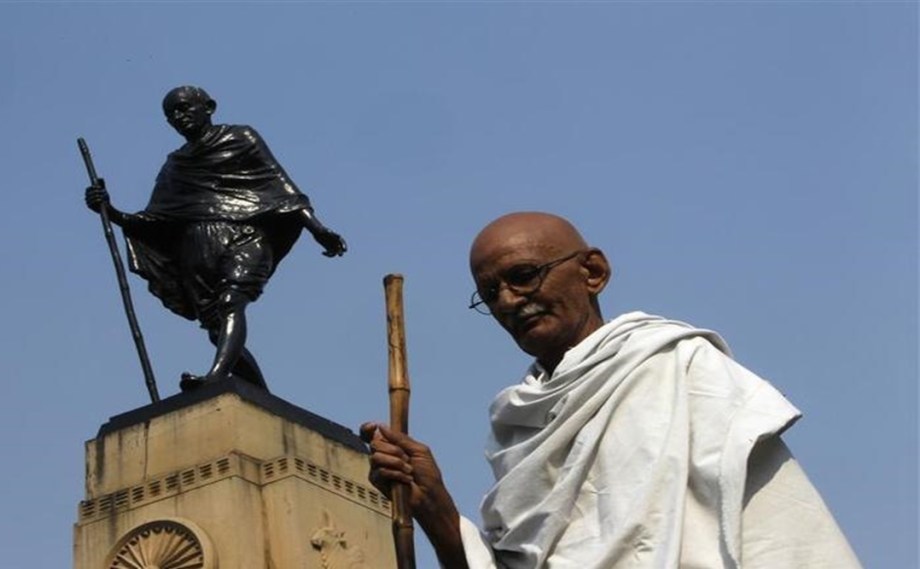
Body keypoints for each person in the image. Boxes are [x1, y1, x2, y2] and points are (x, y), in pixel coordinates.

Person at [361, 211, 860, 568]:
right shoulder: (518, 430)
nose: (509, 300)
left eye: (523, 277)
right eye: (491, 293)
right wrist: (435, 508)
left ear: (593, 272)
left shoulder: (678, 369)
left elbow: (779, 533)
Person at [86, 85, 346, 392]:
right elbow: (152, 219)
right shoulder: (175, 165)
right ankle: (259, 396)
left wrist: (317, 229)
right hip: (197, 248)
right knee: (217, 330)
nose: (178, 117)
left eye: (183, 108)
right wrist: (108, 208)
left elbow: (280, 188)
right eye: (170, 115)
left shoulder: (240, 138)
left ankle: (216, 377)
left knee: (230, 302)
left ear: (208, 106)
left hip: (247, 236)